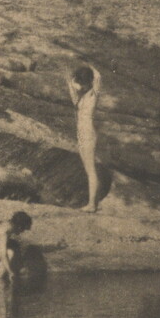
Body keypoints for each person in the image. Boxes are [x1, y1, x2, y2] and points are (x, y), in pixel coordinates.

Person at [66, 64, 101, 212]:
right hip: (81, 134)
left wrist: (89, 64)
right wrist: (72, 80)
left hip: (88, 134)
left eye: (84, 84)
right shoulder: (81, 97)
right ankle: (93, 201)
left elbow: (98, 76)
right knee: (88, 170)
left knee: (90, 170)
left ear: (89, 82)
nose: (81, 86)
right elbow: (71, 83)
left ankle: (92, 204)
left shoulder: (93, 94)